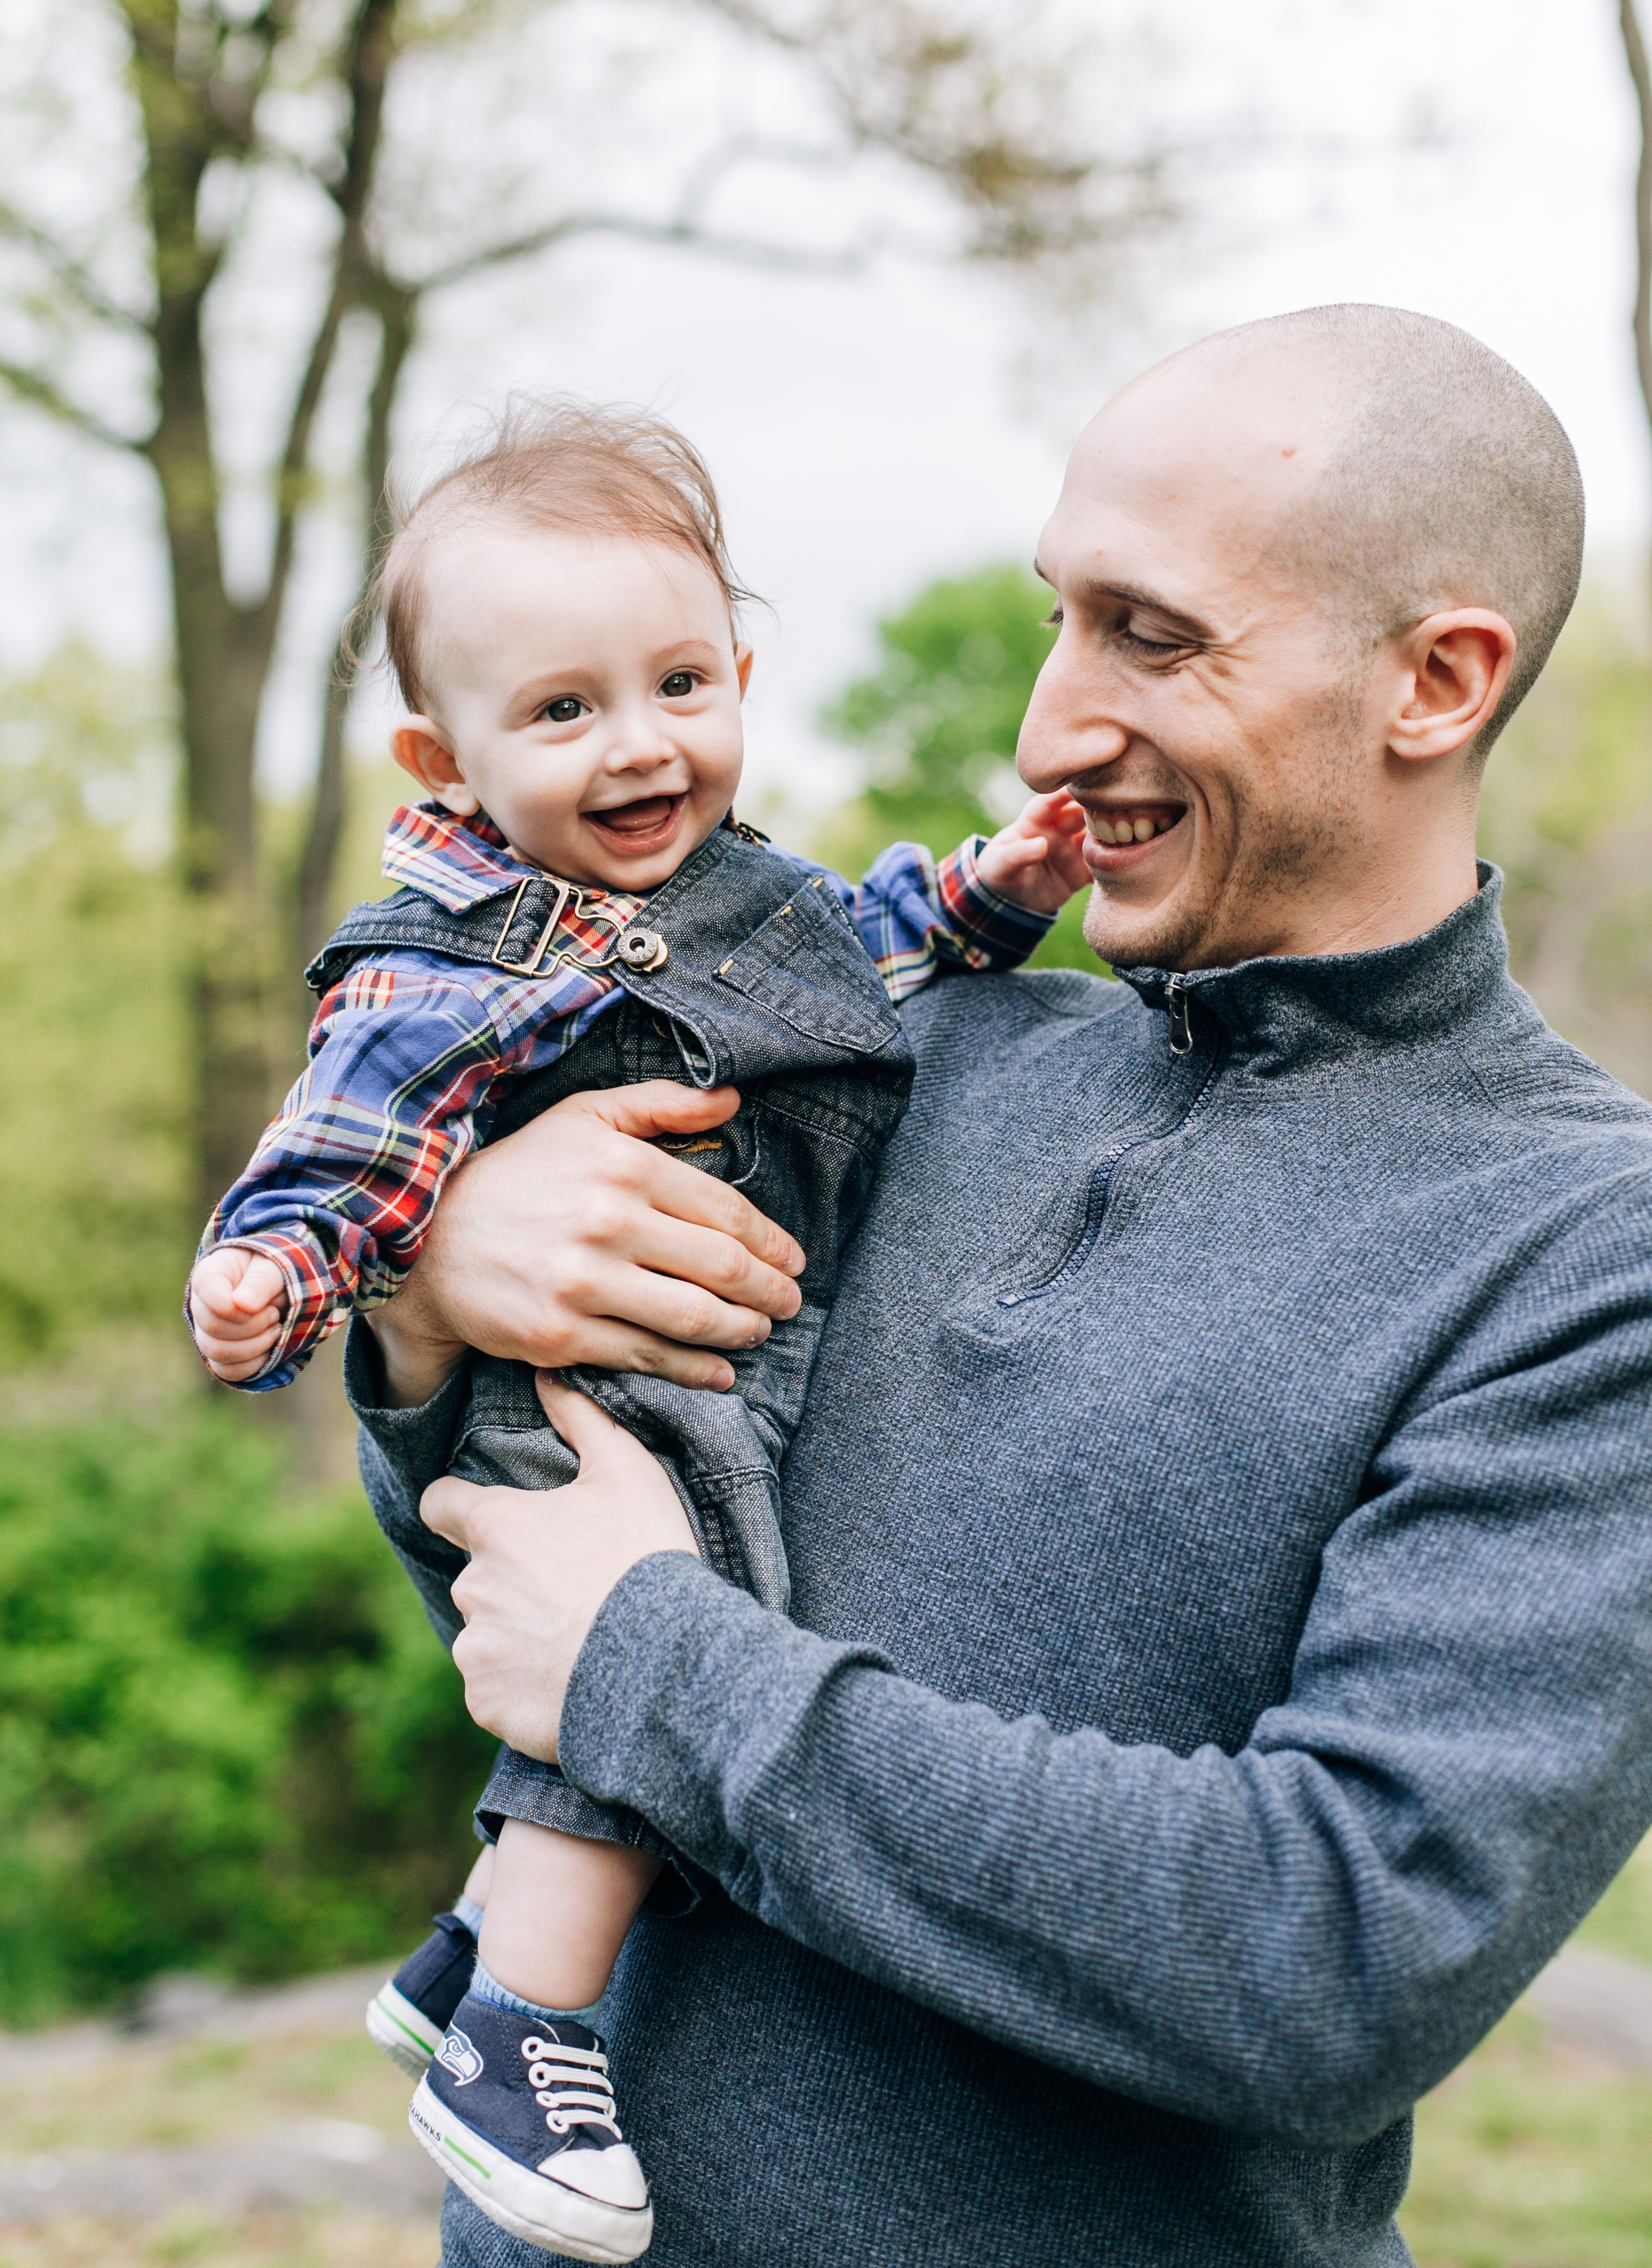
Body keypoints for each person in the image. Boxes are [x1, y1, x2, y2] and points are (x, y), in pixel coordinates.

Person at [346, 304, 1652, 2268]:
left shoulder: (1581, 1253)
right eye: (1059, 619)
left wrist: (662, 1672)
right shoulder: (912, 1051)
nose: (1046, 725)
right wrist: (427, 1307)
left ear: (1433, 682)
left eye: (1150, 635)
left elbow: (1336, 1957)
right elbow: (514, 1574)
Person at [184, 399, 1087, 2262]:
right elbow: (351, 1132)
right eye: (562, 712)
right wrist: (290, 1265)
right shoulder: (461, 951)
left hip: (694, 1353)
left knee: (668, 1637)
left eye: (678, 681)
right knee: (652, 1640)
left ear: (741, 672)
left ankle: (463, 1961)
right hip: (598, 1384)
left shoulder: (732, 893)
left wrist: (987, 895)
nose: (638, 744)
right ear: (446, 756)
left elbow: (863, 945)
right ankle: (522, 2039)